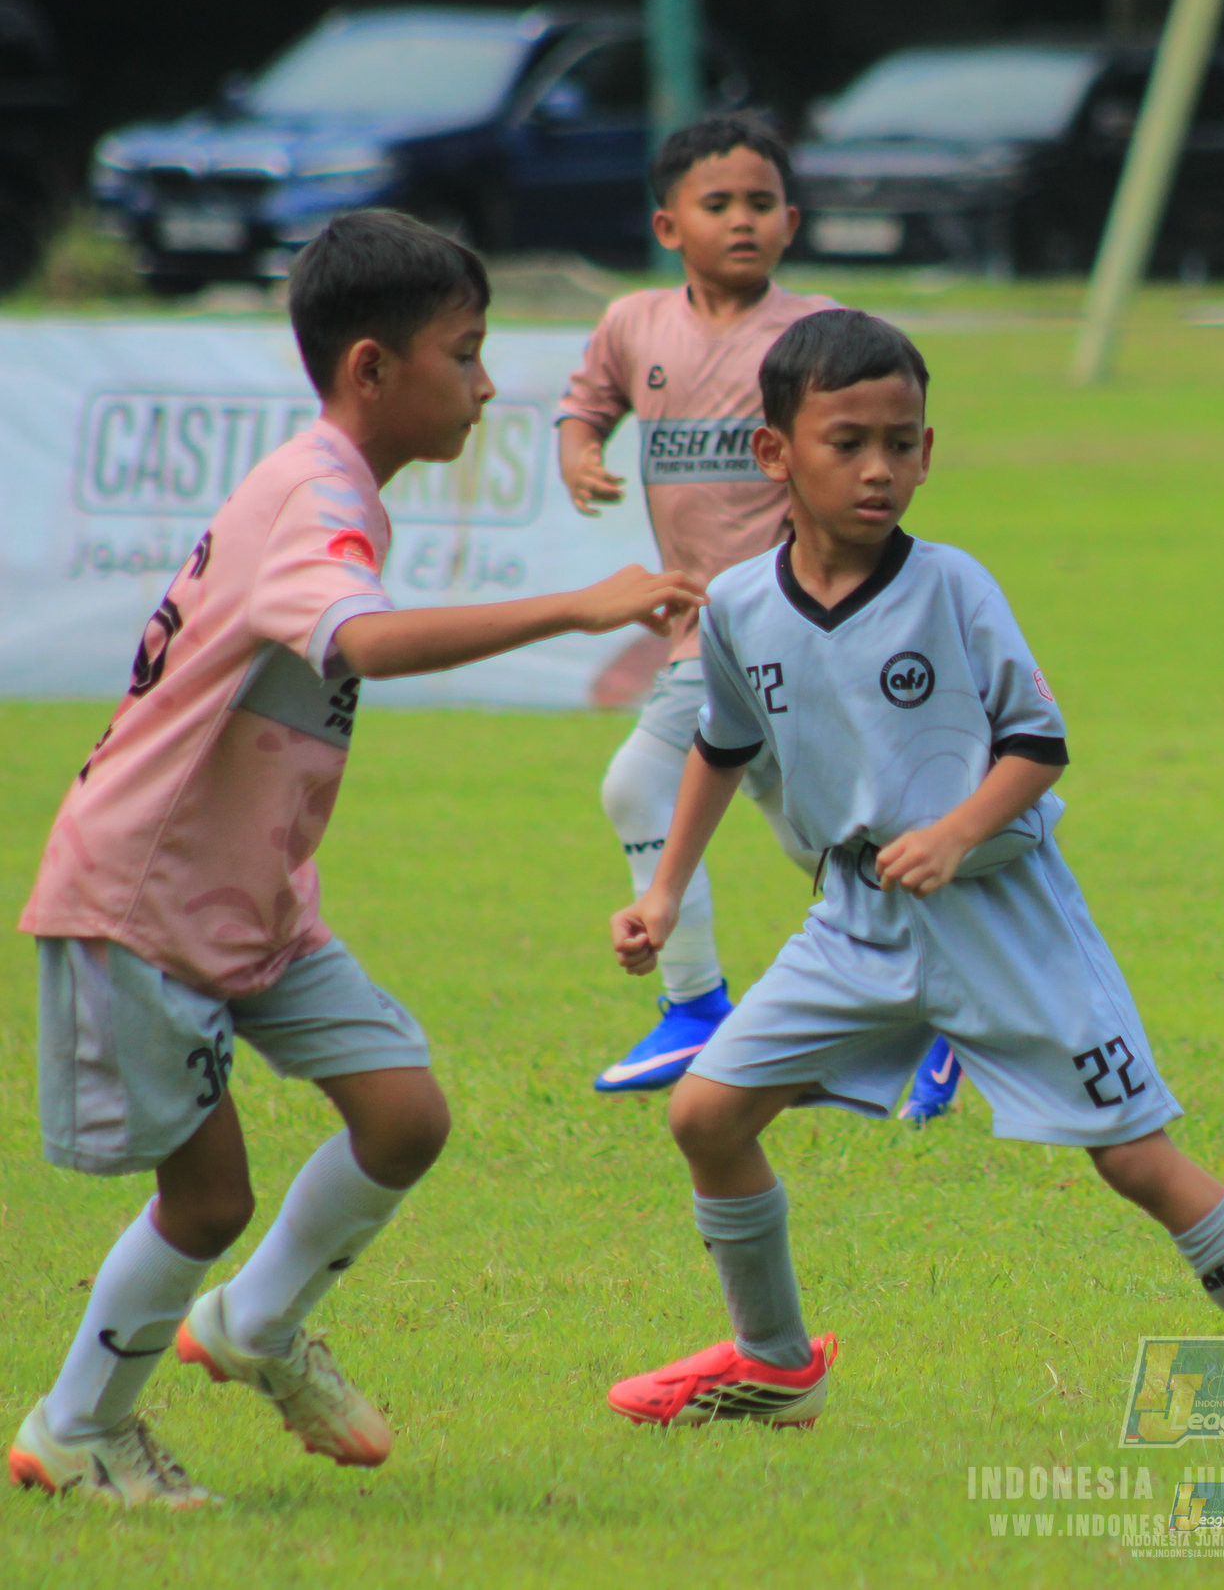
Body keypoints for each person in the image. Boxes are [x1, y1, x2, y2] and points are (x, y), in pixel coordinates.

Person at [7, 210, 703, 1508]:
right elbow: (362, 645)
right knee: (206, 1201)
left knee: (402, 1115)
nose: (488, 387)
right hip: (147, 899)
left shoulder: (333, 487)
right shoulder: (317, 494)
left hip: (254, 896)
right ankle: (77, 1424)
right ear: (373, 367)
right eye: (467, 354)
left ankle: (255, 1326)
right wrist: (576, 600)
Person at [601, 309, 1224, 1443]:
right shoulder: (743, 607)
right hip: (855, 922)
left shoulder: (952, 586)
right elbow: (722, 742)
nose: (880, 468)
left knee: (1134, 1156)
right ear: (775, 453)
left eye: (903, 442)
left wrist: (958, 832)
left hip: (1002, 920)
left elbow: (1039, 743)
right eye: (847, 441)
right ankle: (775, 1362)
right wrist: (666, 889)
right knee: (708, 1113)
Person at [557, 114, 959, 1114]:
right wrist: (579, 447)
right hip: (710, 632)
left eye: (762, 203)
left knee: (645, 784)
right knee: (817, 838)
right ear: (667, 224)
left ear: (792, 221)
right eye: (717, 203)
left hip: (789, 623)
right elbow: (588, 396)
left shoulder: (816, 335)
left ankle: (702, 1010)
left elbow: (874, 445)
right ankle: (934, 1016)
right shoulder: (633, 324)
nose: (742, 220)